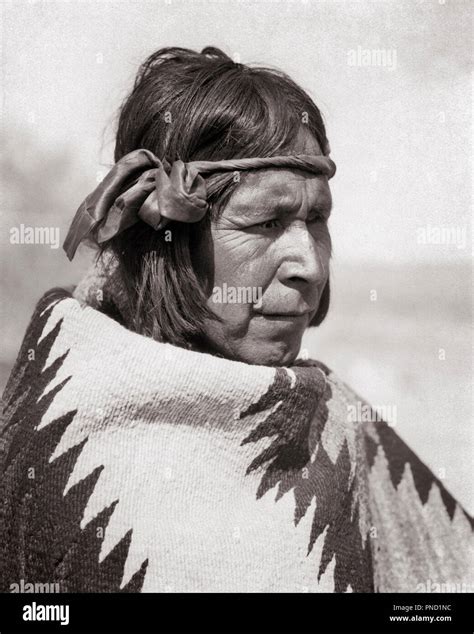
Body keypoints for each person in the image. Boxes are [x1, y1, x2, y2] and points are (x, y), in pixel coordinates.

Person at [0, 46, 471, 593]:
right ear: (169, 243)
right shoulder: (63, 449)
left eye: (316, 218)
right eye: (267, 222)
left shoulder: (331, 425)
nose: (312, 266)